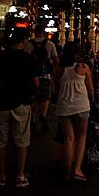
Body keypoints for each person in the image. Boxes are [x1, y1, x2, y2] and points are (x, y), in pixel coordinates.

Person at [0, 28, 40, 188]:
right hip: (22, 102)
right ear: (23, 41)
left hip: (0, 102)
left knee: (0, 140)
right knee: (21, 139)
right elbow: (36, 83)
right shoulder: (29, 59)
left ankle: (1, 175)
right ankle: (20, 175)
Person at [53, 40, 94, 183]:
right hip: (81, 105)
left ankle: (68, 171)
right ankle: (77, 169)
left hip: (64, 106)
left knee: (68, 139)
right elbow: (90, 88)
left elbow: (56, 88)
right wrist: (92, 99)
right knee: (81, 136)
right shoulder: (84, 67)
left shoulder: (59, 68)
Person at [25, 24, 59, 133]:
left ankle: (33, 120)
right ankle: (43, 115)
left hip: (31, 75)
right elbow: (55, 61)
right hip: (45, 75)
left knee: (33, 99)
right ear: (43, 32)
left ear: (34, 32)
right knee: (45, 98)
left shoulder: (28, 45)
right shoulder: (50, 44)